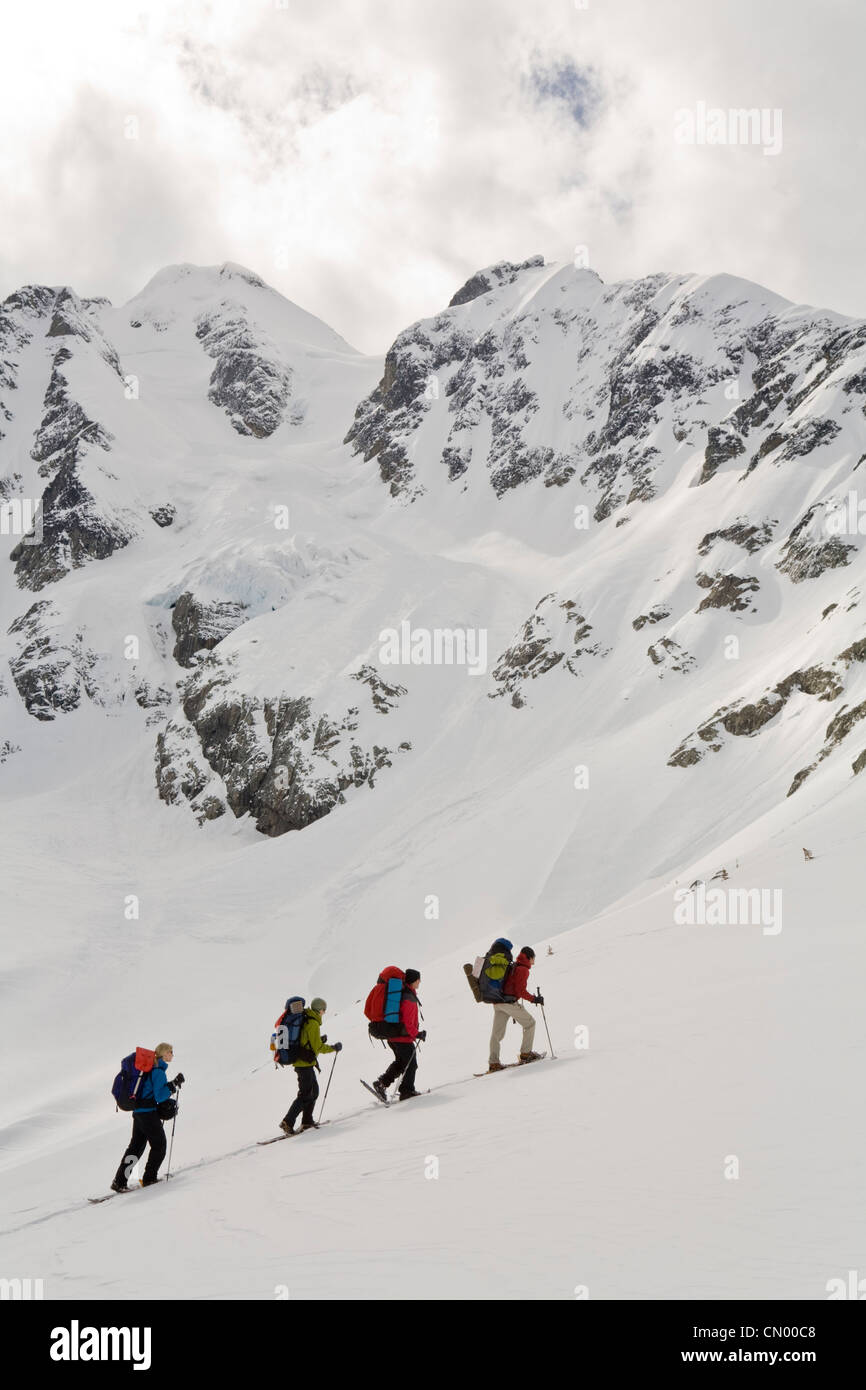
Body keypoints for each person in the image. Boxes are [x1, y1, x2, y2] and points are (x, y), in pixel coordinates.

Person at [112, 1043, 184, 1191]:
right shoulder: (158, 1071)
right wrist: (173, 1085)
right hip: (148, 1113)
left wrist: (172, 1084)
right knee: (159, 1145)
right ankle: (149, 1178)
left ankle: (119, 1181)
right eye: (171, 1052)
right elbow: (160, 1096)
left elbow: (152, 1090)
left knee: (135, 1147)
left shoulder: (151, 1069)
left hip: (138, 1112)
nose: (172, 1054)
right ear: (164, 1054)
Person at [280, 998, 341, 1134]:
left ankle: (307, 1121)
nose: (324, 1013)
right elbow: (318, 1047)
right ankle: (287, 1122)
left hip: (305, 1063)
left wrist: (320, 1039)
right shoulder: (312, 1023)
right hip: (304, 1065)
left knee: (314, 1092)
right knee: (305, 1094)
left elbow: (307, 1040)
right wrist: (333, 1048)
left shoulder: (307, 1018)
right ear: (319, 1010)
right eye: (323, 1010)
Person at [373, 969, 426, 1102]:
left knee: (402, 1062)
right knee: (411, 1064)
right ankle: (406, 1091)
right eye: (418, 979)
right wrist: (417, 1033)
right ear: (413, 981)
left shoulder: (406, 994)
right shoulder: (409, 998)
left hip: (395, 1037)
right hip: (402, 1038)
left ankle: (382, 1084)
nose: (420, 981)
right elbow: (408, 1022)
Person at [488, 947, 544, 1072]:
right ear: (529, 958)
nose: (534, 961)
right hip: (509, 1003)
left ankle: (494, 1062)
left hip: (498, 1002)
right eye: (533, 958)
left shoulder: (514, 965)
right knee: (530, 1024)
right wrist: (534, 999)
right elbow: (520, 991)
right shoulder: (523, 969)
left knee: (496, 1035)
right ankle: (526, 1054)